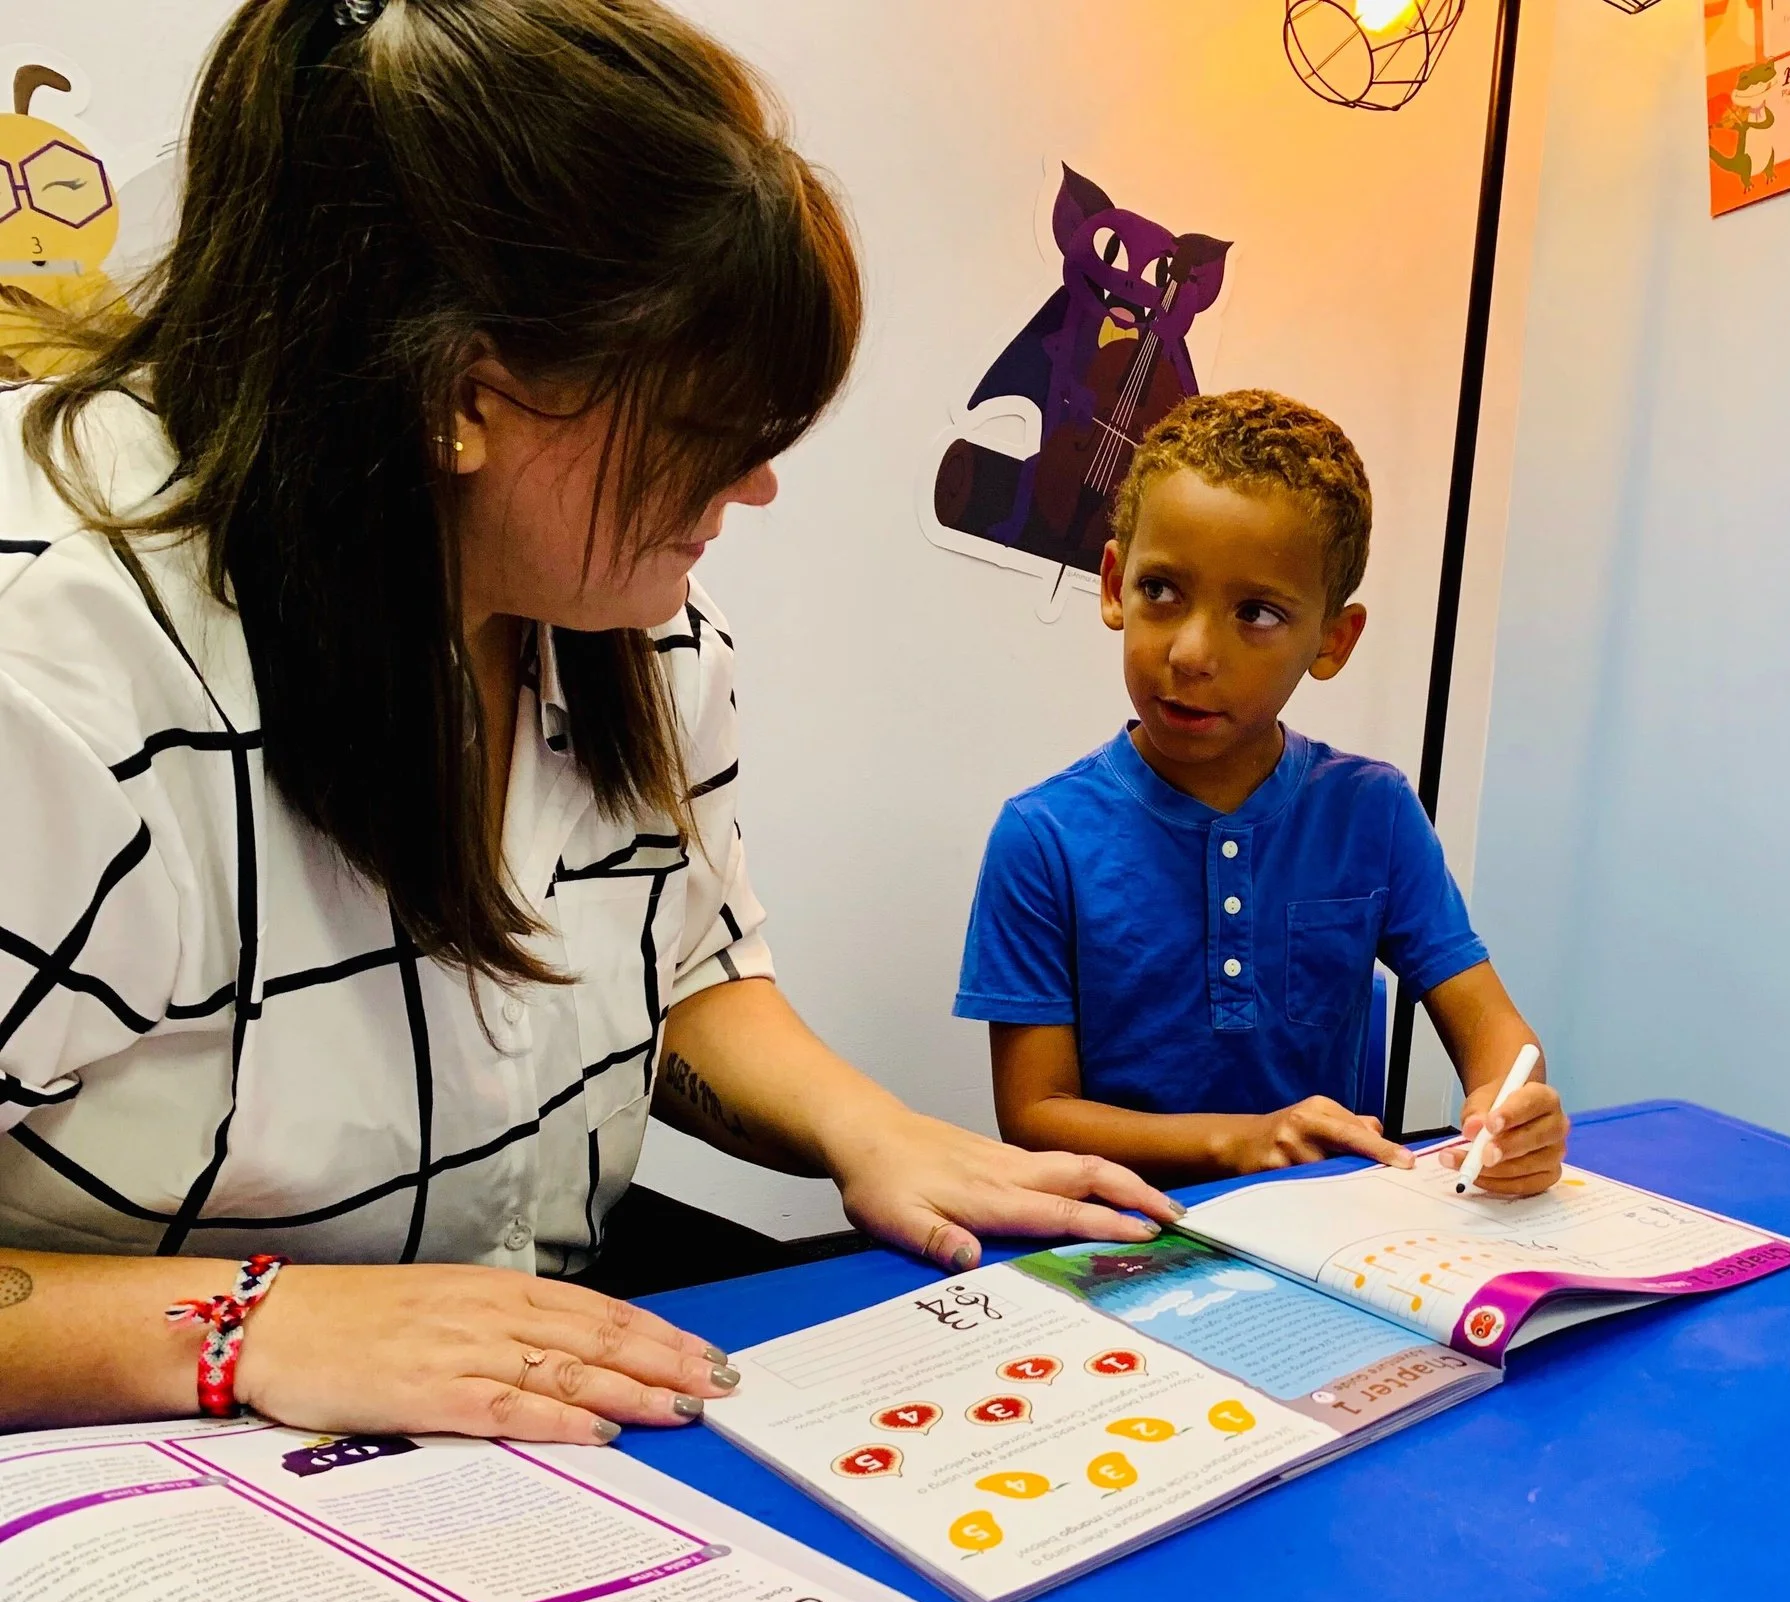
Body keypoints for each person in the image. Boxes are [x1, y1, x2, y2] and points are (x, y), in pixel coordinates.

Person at [0, 0, 1174, 1444]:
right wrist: (253, 1316)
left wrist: (866, 1126)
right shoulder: (57, 667)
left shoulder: (636, 625)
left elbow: (679, 968)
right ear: (461, 401)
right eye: (713, 435)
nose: (757, 492)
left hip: (515, 1388)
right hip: (145, 1454)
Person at [955, 389, 1568, 1192]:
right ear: (1113, 583)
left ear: (1333, 640)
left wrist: (1511, 1107)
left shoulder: (1373, 811)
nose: (1193, 652)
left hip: (1337, 1247)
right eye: (1162, 590)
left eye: (1257, 613)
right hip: (1125, 1237)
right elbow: (1035, 1113)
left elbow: (1490, 1024)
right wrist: (1242, 1142)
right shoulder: (1041, 839)